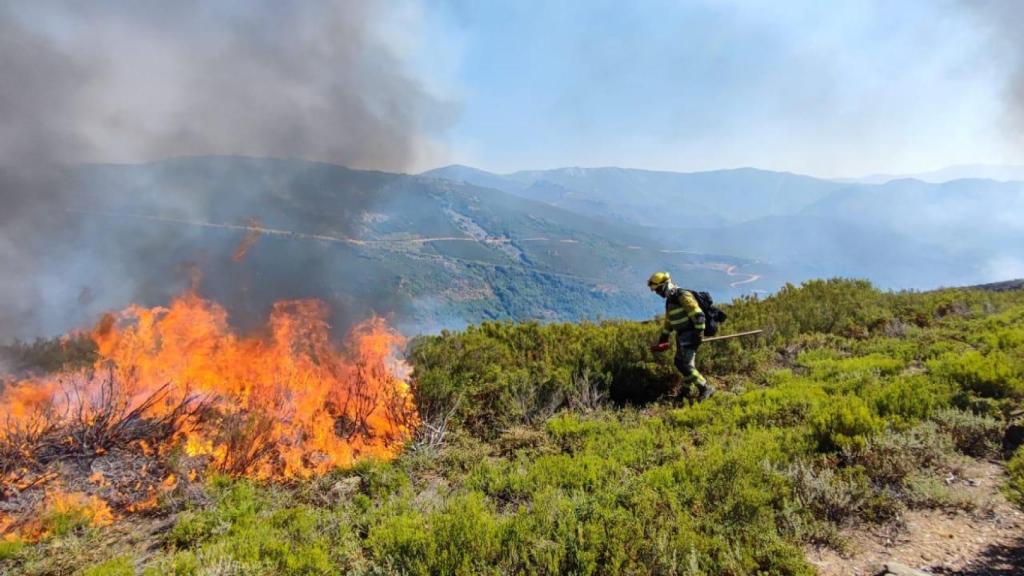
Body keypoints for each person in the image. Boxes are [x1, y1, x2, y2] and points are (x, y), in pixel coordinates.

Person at [647, 271, 714, 402]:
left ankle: (705, 387)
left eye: (658, 289)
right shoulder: (670, 299)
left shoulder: (682, 295)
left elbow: (699, 315)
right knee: (680, 363)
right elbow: (669, 321)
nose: (657, 293)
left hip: (690, 335)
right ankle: (685, 391)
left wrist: (698, 334)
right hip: (681, 336)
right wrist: (663, 339)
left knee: (686, 365)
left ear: (665, 285)